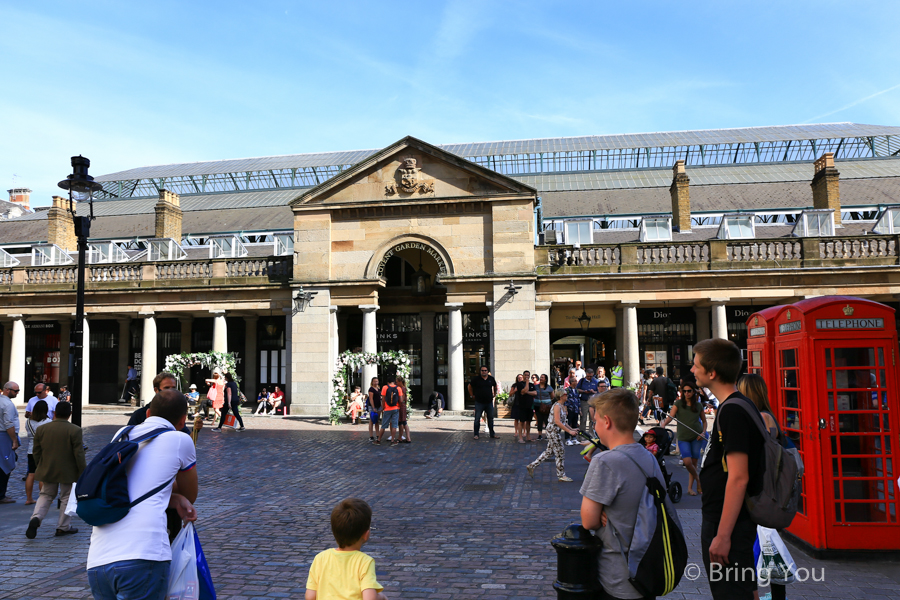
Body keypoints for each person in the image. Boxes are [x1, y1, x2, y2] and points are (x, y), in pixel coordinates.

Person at [86, 389, 198, 600]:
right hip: (144, 555)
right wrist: (179, 496)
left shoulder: (122, 434)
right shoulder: (181, 440)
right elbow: (190, 493)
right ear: (183, 421)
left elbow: (129, 485)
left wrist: (173, 499)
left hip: (99, 560)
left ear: (147, 414)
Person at [581, 387, 682, 600]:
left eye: (596, 421)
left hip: (617, 576)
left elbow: (588, 521)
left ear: (607, 422)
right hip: (647, 571)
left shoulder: (605, 461)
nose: (595, 427)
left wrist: (599, 512)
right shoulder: (647, 456)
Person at [693, 338, 765, 600]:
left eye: (696, 365)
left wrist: (722, 536)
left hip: (728, 525)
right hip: (732, 521)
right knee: (743, 591)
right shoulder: (738, 405)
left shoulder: (733, 411)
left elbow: (738, 477)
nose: (692, 370)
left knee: (730, 593)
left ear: (712, 373)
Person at [737, 373, 788, 600]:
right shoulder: (770, 416)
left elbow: (756, 454)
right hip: (772, 490)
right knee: (770, 547)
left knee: (757, 548)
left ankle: (755, 594)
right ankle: (776, 594)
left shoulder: (761, 418)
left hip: (761, 491)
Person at [305, 498, 387, 600]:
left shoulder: (320, 558)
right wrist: (381, 597)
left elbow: (310, 596)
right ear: (365, 535)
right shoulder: (365, 562)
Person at [25, 402, 85, 539]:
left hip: (48, 467)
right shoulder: (75, 430)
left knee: (45, 495)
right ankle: (63, 527)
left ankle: (36, 517)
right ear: (69, 414)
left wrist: (41, 464)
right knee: (66, 497)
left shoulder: (42, 429)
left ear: (54, 413)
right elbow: (79, 454)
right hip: (68, 469)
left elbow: (36, 451)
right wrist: (83, 470)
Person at [661, 381, 707, 496]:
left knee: (694, 463)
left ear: (693, 392)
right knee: (687, 462)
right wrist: (663, 424)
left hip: (697, 437)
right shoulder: (678, 404)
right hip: (683, 437)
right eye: (684, 391)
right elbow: (671, 417)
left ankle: (690, 488)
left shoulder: (698, 405)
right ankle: (699, 480)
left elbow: (705, 421)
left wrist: (703, 432)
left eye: (689, 391)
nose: (687, 393)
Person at [526, 388, 578, 482]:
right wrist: (570, 432)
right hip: (553, 431)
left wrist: (572, 429)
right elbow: (557, 422)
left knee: (549, 452)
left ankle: (531, 466)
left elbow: (563, 422)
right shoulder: (557, 406)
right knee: (560, 452)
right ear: (561, 396)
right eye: (565, 394)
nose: (567, 395)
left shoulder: (562, 406)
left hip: (554, 431)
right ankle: (561, 475)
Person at [24, 400, 51, 505]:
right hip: (43, 450)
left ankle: (29, 498)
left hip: (31, 450)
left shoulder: (29, 421)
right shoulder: (47, 422)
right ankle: (43, 498)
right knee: (42, 475)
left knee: (31, 474)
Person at [0, 381, 22, 504]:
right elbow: (8, 423)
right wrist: (14, 440)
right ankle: (1, 494)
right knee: (5, 464)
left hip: (3, 435)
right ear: (7, 390)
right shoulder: (7, 404)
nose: (17, 393)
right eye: (15, 391)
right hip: (5, 436)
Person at [467, 366, 498, 440]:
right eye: (482, 370)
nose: (484, 372)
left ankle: (492, 434)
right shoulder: (476, 379)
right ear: (480, 371)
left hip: (488, 402)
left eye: (485, 370)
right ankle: (476, 434)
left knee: (490, 419)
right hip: (479, 402)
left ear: (487, 371)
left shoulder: (491, 379)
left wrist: (494, 394)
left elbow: (495, 386)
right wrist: (471, 395)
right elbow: (469, 386)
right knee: (477, 419)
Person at [575, 368, 599, 441]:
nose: (589, 378)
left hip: (592, 402)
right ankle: (582, 435)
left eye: (591, 376)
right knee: (583, 418)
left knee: (593, 419)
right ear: (586, 375)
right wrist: (584, 391)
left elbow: (598, 391)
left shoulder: (595, 381)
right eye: (588, 376)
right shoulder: (582, 381)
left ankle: (592, 435)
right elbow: (577, 389)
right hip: (584, 401)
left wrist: (593, 392)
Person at [376, 378, 402, 446]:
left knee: (383, 425)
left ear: (388, 382)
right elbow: (401, 400)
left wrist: (383, 407)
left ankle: (378, 440)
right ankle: (392, 441)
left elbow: (383, 399)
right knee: (394, 425)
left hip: (387, 409)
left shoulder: (385, 387)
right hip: (395, 408)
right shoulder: (398, 388)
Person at [517, 370, 537, 443]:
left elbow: (535, 393)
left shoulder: (532, 385)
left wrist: (527, 392)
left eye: (528, 375)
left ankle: (528, 436)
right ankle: (520, 437)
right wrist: (527, 384)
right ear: (523, 376)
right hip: (522, 406)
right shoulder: (520, 384)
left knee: (529, 421)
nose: (527, 376)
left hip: (530, 406)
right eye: (525, 375)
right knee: (522, 421)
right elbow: (523, 391)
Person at [534, 374, 553, 441]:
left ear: (545, 379)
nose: (541, 378)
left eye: (542, 377)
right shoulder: (536, 387)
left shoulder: (549, 387)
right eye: (541, 377)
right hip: (537, 406)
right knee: (539, 420)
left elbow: (552, 396)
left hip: (547, 406)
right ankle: (540, 435)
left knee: (546, 420)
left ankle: (547, 435)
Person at [564, 372, 581, 444]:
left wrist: (579, 409)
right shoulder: (567, 390)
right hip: (569, 409)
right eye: (575, 381)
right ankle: (567, 438)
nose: (576, 382)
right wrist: (565, 410)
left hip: (576, 409)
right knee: (568, 423)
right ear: (571, 382)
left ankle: (574, 438)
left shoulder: (577, 390)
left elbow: (578, 400)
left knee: (575, 424)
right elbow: (565, 400)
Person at [396, 377, 412, 443]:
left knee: (402, 422)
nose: (396, 383)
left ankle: (405, 437)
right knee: (403, 422)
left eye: (397, 382)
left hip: (401, 406)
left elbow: (401, 399)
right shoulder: (404, 388)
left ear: (400, 382)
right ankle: (403, 437)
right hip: (403, 406)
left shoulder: (401, 389)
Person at [367, 378, 381, 443]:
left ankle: (378, 435)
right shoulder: (371, 389)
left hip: (379, 406)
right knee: (372, 420)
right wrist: (373, 407)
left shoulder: (378, 389)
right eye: (375, 381)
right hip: (373, 406)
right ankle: (371, 435)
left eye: (377, 381)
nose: (376, 382)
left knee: (377, 420)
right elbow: (371, 399)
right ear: (372, 382)